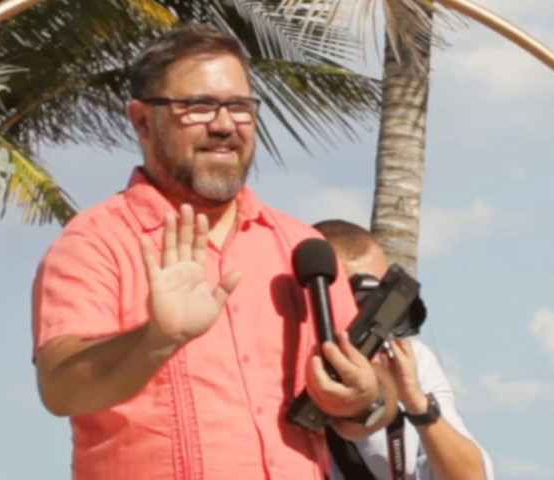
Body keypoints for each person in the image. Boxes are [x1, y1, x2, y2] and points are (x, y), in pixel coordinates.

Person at [31, 24, 397, 480]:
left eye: (240, 107)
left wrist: (366, 398)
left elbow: (380, 400)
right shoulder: (94, 243)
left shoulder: (303, 247)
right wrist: (156, 339)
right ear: (143, 120)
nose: (225, 125)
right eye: (198, 106)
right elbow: (61, 388)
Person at [314, 219, 495, 480]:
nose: (368, 312)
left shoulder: (407, 360)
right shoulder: (272, 357)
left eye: (379, 296)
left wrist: (417, 403)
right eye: (353, 297)